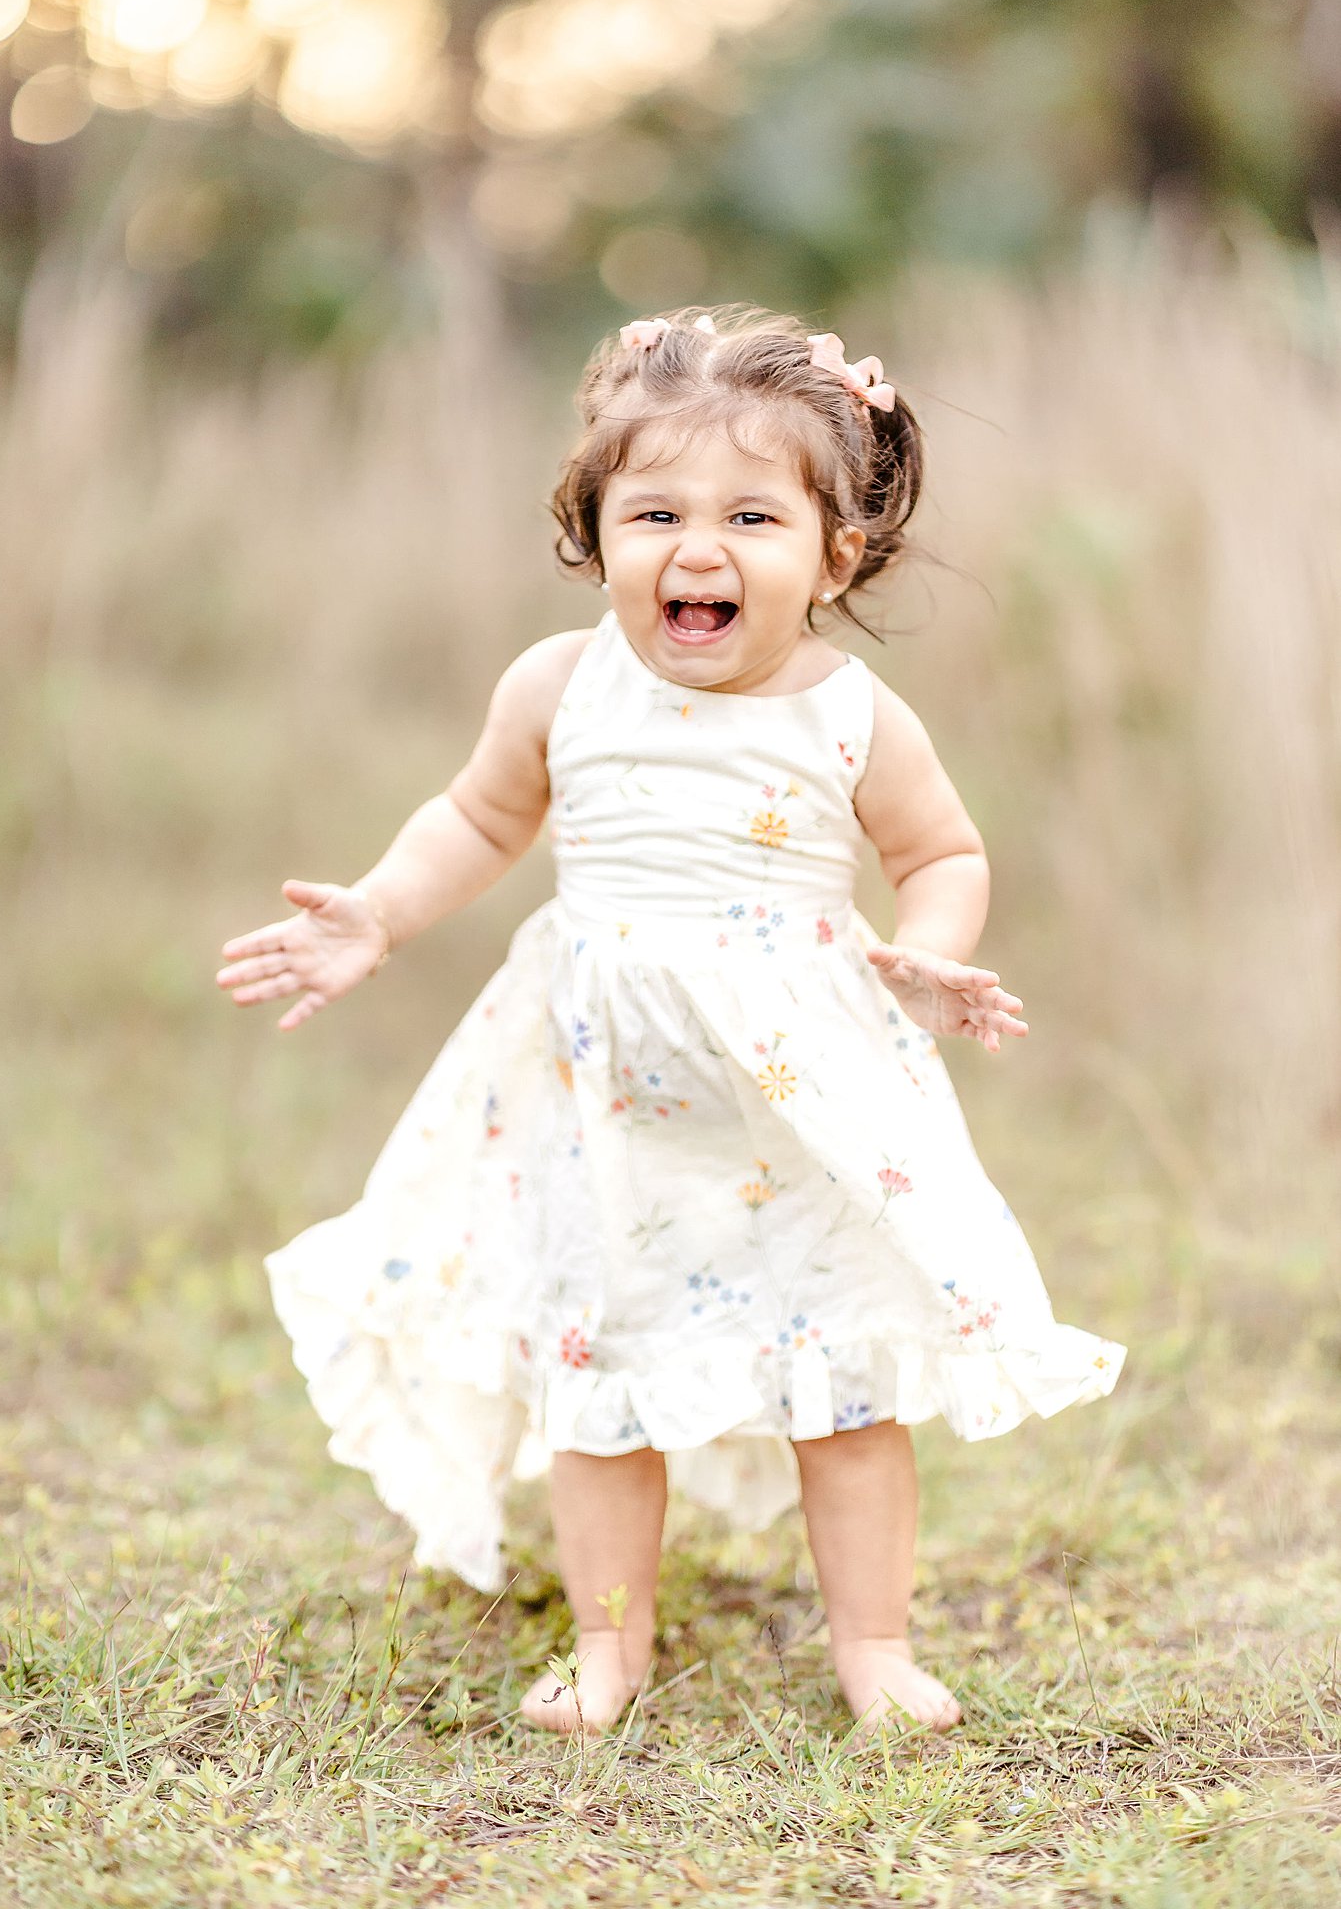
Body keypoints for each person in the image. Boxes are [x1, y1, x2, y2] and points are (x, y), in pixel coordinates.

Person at [217, 307, 1125, 1740]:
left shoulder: (851, 717)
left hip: (799, 1097)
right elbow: (479, 815)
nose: (696, 550)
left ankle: (873, 1646)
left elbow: (941, 854)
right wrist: (379, 914)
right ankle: (606, 1650)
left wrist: (928, 955)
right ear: (594, 533)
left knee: (841, 1380)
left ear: (835, 552)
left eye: (751, 515)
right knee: (599, 1377)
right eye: (654, 512)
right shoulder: (559, 684)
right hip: (601, 1102)